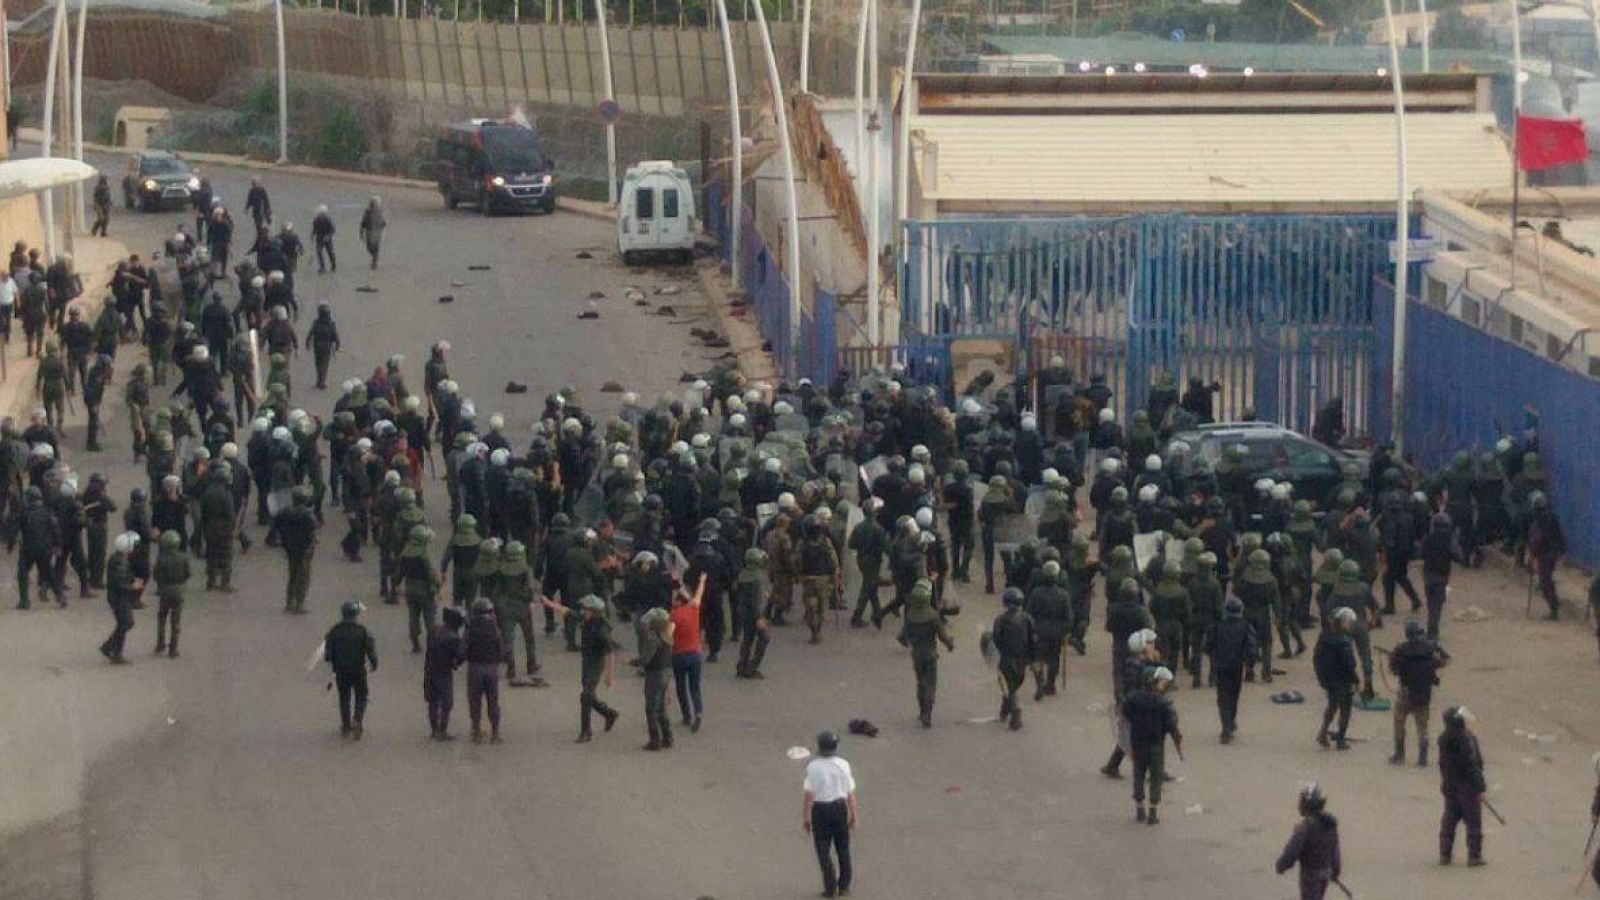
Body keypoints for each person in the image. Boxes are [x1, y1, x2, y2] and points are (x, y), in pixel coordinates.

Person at [541, 593, 620, 742]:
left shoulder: (602, 630)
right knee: (589, 696)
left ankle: (586, 732)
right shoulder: (587, 619)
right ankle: (609, 714)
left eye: (586, 609)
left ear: (594, 611)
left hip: (596, 664)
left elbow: (610, 653)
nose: (582, 611)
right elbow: (567, 611)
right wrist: (549, 603)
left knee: (585, 696)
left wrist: (609, 676)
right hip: (587, 661)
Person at [802, 729, 857, 899]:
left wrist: (806, 817)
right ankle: (844, 886)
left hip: (820, 811)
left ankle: (830, 886)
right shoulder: (844, 765)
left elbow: (809, 795)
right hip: (839, 809)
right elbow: (850, 793)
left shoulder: (813, 767)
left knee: (823, 851)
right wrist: (854, 815)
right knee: (843, 848)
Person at [1124, 666, 1182, 824]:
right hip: (1156, 744)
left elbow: (1126, 714)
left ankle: (1139, 807)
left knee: (1138, 773)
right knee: (1156, 776)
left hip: (1137, 742)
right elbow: (1170, 724)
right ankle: (1153, 811)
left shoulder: (1133, 699)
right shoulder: (1162, 703)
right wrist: (1176, 736)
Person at [1389, 620, 1450, 766]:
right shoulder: (1429, 651)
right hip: (1423, 693)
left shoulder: (1401, 649)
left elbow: (1393, 669)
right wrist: (1436, 648)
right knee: (1422, 726)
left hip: (1405, 692)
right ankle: (1422, 757)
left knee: (1399, 723)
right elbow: (1445, 660)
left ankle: (1399, 754)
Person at [1438, 705, 1487, 866]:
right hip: (1467, 786)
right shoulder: (1467, 739)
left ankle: (1445, 854)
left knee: (1450, 818)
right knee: (1473, 821)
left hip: (1450, 785)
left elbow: (1442, 764)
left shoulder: (1444, 739)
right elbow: (1472, 765)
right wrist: (1480, 787)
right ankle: (1474, 856)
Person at [902, 578, 955, 727]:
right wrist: (950, 644)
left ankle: (921, 710)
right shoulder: (933, 616)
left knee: (920, 683)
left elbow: (903, 636)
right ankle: (927, 712)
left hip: (916, 655)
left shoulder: (910, 615)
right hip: (931, 654)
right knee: (930, 684)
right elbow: (942, 635)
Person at [1275, 784, 1342, 900]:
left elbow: (1292, 852)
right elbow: (1335, 849)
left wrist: (1282, 865)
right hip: (1326, 873)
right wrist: (1336, 870)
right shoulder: (1330, 824)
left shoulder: (1304, 828)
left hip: (1310, 875)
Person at [1206, 597, 1258, 744]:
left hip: (1220, 665)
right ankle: (1230, 722)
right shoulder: (1245, 626)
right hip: (1237, 666)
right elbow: (1251, 647)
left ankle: (1226, 726)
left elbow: (1208, 645)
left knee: (1223, 696)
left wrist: (1212, 655)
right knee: (1234, 695)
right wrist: (1250, 665)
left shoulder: (1218, 626)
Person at [324, 600, 378, 740]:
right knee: (361, 695)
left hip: (341, 671)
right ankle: (358, 719)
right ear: (355, 615)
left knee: (344, 697)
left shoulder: (334, 631)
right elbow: (370, 649)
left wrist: (336, 659)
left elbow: (328, 655)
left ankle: (346, 725)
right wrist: (374, 663)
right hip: (358, 670)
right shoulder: (362, 631)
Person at [1314, 607, 1360, 751]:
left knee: (1332, 705)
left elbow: (1316, 658)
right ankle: (1340, 739)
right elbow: (1349, 665)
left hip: (1328, 679)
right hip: (1342, 680)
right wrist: (1357, 680)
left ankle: (1323, 731)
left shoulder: (1324, 636)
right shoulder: (1343, 642)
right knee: (1345, 709)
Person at [990, 586, 1036, 731]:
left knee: (1008, 687)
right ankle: (1005, 709)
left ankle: (1015, 713)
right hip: (1022, 660)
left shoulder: (1000, 620)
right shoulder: (1027, 618)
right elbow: (1032, 640)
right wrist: (1032, 658)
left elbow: (996, 639)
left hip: (1006, 659)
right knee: (1013, 686)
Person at [671, 573, 709, 733]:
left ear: (679, 602)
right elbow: (699, 594)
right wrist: (702, 580)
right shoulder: (694, 609)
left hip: (679, 655)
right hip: (695, 654)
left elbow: (668, 634)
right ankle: (698, 712)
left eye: (674, 600)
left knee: (681, 687)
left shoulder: (674, 615)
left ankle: (686, 716)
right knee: (695, 687)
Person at [463, 597, 504, 744]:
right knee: (493, 701)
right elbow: (502, 650)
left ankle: (477, 731)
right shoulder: (495, 628)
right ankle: (495, 734)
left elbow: (463, 649)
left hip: (475, 668)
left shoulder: (470, 628)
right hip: (491, 669)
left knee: (475, 701)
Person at [1419, 511, 1462, 640]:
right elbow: (1458, 557)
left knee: (1431, 604)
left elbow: (1421, 553)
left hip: (1427, 574)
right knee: (1436, 606)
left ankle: (1432, 631)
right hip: (1442, 576)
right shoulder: (1450, 539)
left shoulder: (1427, 538)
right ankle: (1432, 634)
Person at [101, 532, 143, 664]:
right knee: (126, 623)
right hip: (119, 597)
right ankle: (113, 651)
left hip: (117, 596)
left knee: (124, 623)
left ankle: (110, 648)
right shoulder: (120, 561)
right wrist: (133, 586)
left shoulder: (119, 559)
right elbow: (120, 582)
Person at [424, 605, 465, 740]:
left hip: (430, 670)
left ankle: (434, 729)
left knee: (432, 701)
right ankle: (442, 730)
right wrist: (455, 663)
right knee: (447, 702)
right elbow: (460, 656)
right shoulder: (454, 638)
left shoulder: (434, 631)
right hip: (444, 673)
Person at [275, 487, 318, 613]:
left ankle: (289, 602)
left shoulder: (283, 514)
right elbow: (312, 533)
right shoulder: (308, 515)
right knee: (303, 576)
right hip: (304, 550)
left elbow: (278, 529)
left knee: (292, 574)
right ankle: (300, 604)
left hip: (290, 549)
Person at [1525, 491, 1565, 620]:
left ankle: (1554, 609)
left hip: (1546, 553)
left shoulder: (1540, 520)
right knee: (1547, 578)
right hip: (1552, 552)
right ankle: (1555, 603)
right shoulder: (1551, 516)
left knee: (1545, 581)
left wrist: (1532, 555)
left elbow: (1538, 539)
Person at [638, 606, 674, 750]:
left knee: (651, 708)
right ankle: (668, 736)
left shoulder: (653, 638)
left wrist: (636, 662)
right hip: (666, 672)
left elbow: (646, 658)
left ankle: (655, 740)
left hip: (655, 675)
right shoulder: (667, 637)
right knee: (661, 708)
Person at [152, 530, 192, 658]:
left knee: (162, 616)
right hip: (178, 590)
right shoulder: (183, 557)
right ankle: (173, 649)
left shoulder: (161, 558)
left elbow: (156, 575)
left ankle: (160, 644)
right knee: (176, 620)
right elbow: (188, 573)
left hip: (165, 590)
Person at [734, 547, 772, 679]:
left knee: (748, 639)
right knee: (764, 638)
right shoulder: (757, 578)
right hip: (754, 614)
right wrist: (759, 617)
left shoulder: (743, 575)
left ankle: (742, 665)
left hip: (744, 612)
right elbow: (756, 601)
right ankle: (752, 667)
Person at [307, 303, 341, 390]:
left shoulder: (316, 323)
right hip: (326, 347)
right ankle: (322, 381)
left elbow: (310, 334)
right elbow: (335, 336)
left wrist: (307, 343)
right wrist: (337, 346)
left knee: (318, 364)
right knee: (324, 364)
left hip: (317, 347)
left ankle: (320, 381)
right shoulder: (331, 324)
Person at [359, 197, 385, 270]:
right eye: (373, 203)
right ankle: (374, 256)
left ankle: (375, 260)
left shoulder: (380, 212)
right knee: (369, 247)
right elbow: (363, 221)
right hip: (369, 231)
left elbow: (383, 222)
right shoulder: (367, 211)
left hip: (377, 232)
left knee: (376, 247)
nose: (374, 205)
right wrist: (361, 231)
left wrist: (382, 228)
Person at [312, 205, 336, 273]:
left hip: (327, 239)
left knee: (330, 252)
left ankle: (333, 264)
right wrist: (312, 234)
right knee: (319, 251)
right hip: (319, 238)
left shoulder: (328, 220)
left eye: (322, 214)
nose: (321, 215)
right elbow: (314, 229)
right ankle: (322, 267)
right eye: (320, 214)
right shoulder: (316, 220)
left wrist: (328, 236)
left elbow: (333, 230)